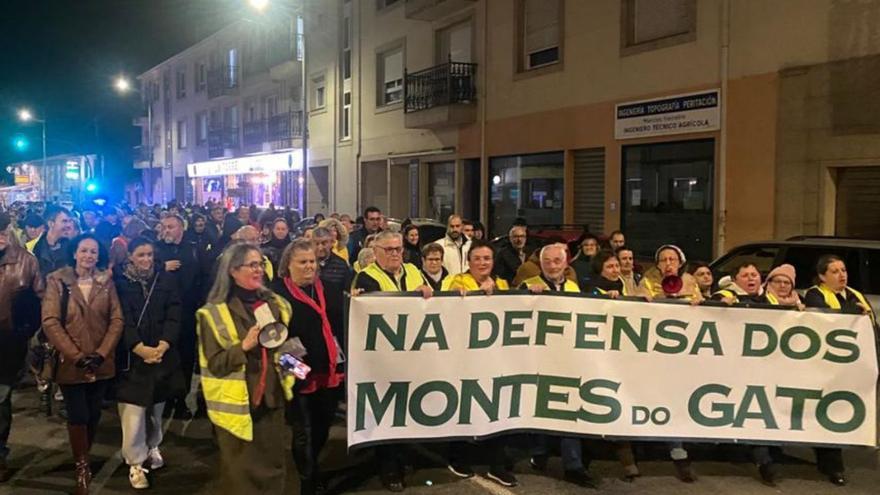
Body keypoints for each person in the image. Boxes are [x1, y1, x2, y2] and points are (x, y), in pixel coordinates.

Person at [196, 242, 295, 494]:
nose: (259, 269)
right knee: (240, 478)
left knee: (274, 472)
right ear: (233, 270)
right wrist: (245, 346)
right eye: (252, 265)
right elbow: (215, 364)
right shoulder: (213, 314)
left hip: (272, 402)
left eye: (261, 263)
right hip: (238, 409)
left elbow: (283, 349)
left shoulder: (274, 304)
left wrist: (297, 369)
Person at [41, 234, 124, 495]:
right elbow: (51, 321)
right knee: (78, 414)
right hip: (71, 362)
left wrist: (101, 353)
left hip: (100, 359)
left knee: (94, 412)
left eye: (93, 251)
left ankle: (84, 455)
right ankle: (82, 467)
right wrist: (76, 355)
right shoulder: (57, 281)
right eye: (84, 251)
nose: (89, 256)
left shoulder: (106, 283)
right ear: (74, 253)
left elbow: (117, 320)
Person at [351, 230, 431, 492]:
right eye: (389, 250)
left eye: (399, 249)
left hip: (414, 355)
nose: (396, 253)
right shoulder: (367, 277)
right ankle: (388, 467)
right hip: (384, 360)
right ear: (376, 253)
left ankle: (404, 458)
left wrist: (427, 292)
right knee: (387, 413)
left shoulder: (413, 271)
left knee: (407, 411)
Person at [519, 244, 599, 487]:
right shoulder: (528, 284)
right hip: (539, 359)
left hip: (568, 359)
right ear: (540, 264)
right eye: (548, 262)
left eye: (557, 261)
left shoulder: (574, 287)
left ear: (566, 263)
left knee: (568, 409)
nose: (553, 266)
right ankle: (540, 453)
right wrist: (526, 297)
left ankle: (573, 466)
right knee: (540, 407)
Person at [441, 240, 518, 487]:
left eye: (487, 258)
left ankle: (496, 465)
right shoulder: (458, 282)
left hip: (495, 359)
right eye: (478, 258)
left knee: (497, 408)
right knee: (463, 405)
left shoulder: (503, 284)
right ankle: (458, 456)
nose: (483, 263)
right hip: (465, 358)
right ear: (469, 262)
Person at [272, 240, 345, 495]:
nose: (309, 267)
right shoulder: (277, 294)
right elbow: (272, 343)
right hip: (298, 373)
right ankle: (307, 481)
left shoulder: (331, 290)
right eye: (302, 262)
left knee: (323, 426)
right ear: (287, 265)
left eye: (312, 261)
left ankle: (313, 466)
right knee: (303, 431)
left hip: (329, 370)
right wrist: (298, 373)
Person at [113, 237, 184, 489]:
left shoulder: (164, 280)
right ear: (130, 255)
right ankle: (135, 462)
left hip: (160, 355)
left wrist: (164, 343)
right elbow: (120, 318)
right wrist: (138, 347)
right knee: (132, 414)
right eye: (141, 255)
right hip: (132, 359)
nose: (146, 260)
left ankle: (153, 446)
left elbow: (174, 313)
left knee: (156, 409)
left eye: (150, 255)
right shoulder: (120, 284)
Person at [803, 254, 876, 486]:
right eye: (835, 271)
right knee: (826, 412)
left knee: (841, 412)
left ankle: (830, 461)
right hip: (824, 367)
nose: (842, 275)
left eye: (843, 270)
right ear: (823, 276)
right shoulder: (816, 294)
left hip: (850, 368)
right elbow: (828, 321)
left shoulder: (855, 295)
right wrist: (852, 313)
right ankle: (832, 465)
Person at [0, 213, 44, 483]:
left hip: (7, 345)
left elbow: (39, 301)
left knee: (0, 400)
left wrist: (24, 332)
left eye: (3, 229)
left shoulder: (26, 261)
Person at [155, 214, 207, 418]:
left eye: (171, 226)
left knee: (185, 358)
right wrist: (161, 267)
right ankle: (165, 400)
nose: (166, 230)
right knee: (164, 356)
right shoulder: (157, 250)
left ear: (181, 229)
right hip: (163, 315)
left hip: (187, 314)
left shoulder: (194, 249)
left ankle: (181, 399)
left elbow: (205, 277)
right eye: (164, 226)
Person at [636, 245, 704, 303]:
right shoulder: (647, 283)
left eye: (672, 259)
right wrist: (641, 299)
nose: (668, 263)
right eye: (663, 260)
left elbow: (701, 302)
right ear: (658, 265)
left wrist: (698, 302)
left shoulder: (690, 282)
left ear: (680, 263)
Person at [30, 206, 75, 276]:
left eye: (70, 221)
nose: (69, 225)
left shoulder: (73, 248)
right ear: (51, 224)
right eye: (64, 221)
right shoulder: (32, 247)